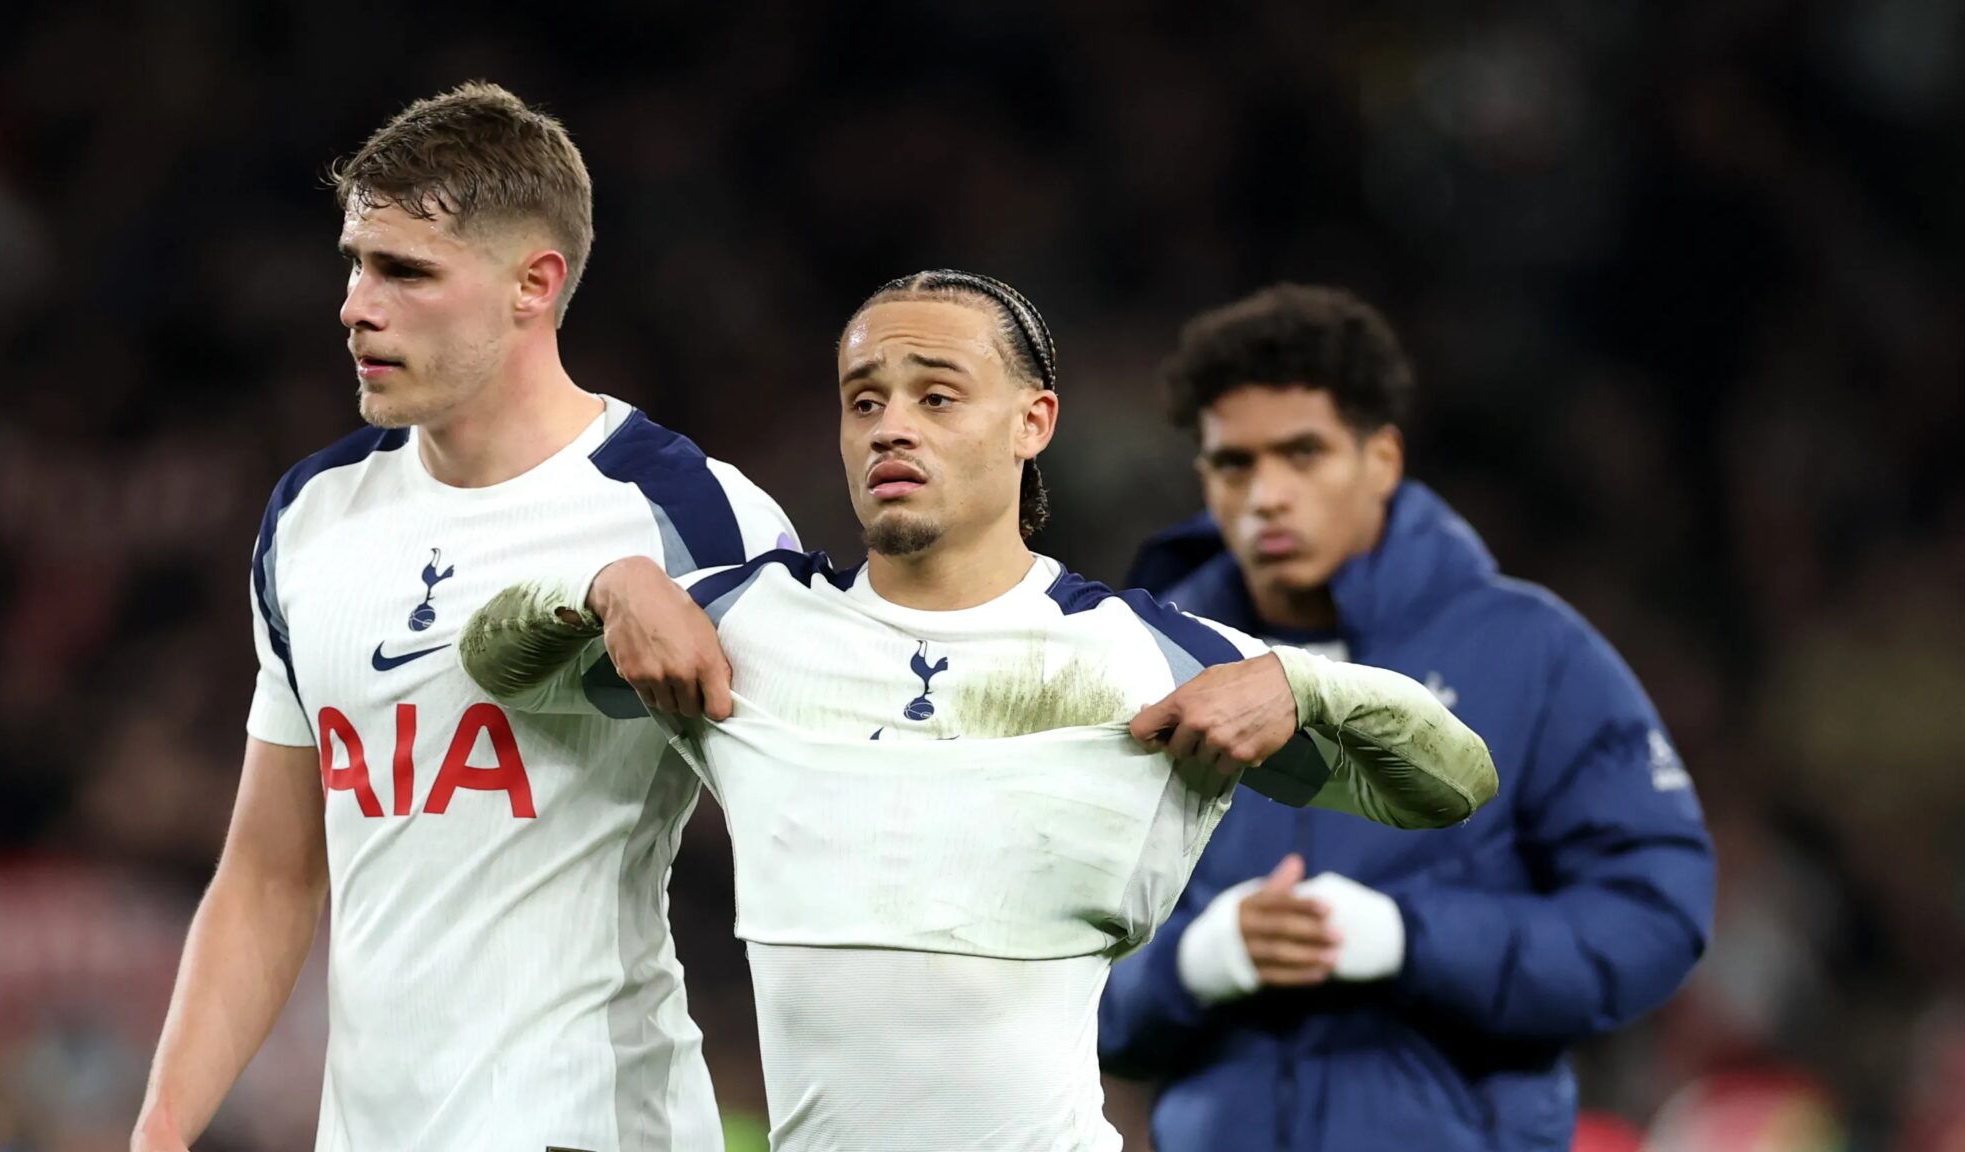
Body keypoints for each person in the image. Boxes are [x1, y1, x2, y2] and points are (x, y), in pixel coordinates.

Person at [457, 270, 1499, 1151]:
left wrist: (1303, 684)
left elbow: (1452, 784)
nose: (891, 426)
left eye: (937, 396)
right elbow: (497, 661)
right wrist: (606, 585)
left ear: (1032, 422)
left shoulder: (1146, 658)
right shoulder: (747, 623)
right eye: (864, 401)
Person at [130, 83, 796, 1152]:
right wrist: (161, 1132)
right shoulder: (312, 516)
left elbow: (819, 829)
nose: (356, 305)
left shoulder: (693, 516)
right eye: (355, 263)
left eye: (405, 272)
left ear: (535, 284)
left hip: (589, 1127)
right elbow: (270, 874)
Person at [1097, 282, 1717, 1152]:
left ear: (1382, 460)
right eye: (1235, 464)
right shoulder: (1143, 665)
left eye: (1303, 454)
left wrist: (1409, 939)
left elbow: (1654, 913)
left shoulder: (1531, 654)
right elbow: (1045, 967)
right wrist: (1194, 962)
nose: (1267, 494)